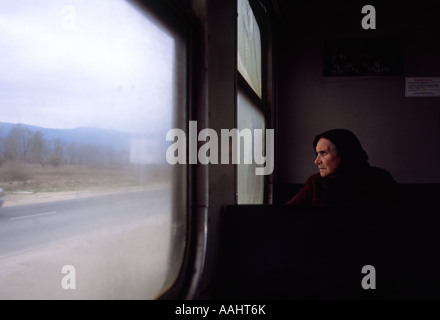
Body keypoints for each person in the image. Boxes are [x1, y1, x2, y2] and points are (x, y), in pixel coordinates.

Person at [286, 128, 399, 206]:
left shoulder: (380, 180)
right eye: (317, 154)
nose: (316, 161)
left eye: (324, 153)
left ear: (344, 153)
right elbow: (286, 216)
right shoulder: (316, 183)